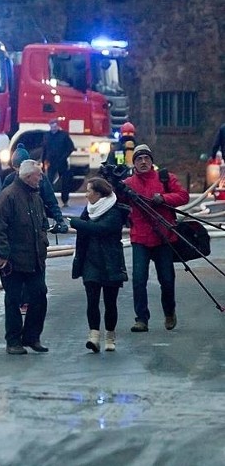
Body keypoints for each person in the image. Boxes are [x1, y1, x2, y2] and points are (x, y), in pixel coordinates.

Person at [121, 144, 189, 332]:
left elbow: (184, 196)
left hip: (163, 237)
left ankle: (169, 311)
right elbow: (114, 201)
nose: (143, 162)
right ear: (134, 163)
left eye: (146, 159)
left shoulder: (165, 179)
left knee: (167, 279)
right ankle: (141, 319)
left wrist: (165, 198)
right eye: (139, 159)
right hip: (140, 238)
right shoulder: (127, 184)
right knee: (139, 280)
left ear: (152, 161)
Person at [0, 159, 50, 354]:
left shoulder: (35, 197)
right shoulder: (8, 197)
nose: (41, 178)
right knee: (13, 300)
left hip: (35, 259)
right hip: (14, 261)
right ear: (28, 176)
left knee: (39, 296)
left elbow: (42, 224)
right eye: (38, 175)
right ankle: (13, 341)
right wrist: (3, 254)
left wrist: (43, 242)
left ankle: (32, 337)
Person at [70, 177, 130, 352]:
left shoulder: (114, 212)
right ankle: (94, 336)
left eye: (89, 191)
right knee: (92, 301)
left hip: (110, 262)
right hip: (90, 261)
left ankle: (110, 336)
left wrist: (74, 222)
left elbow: (100, 229)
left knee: (110, 303)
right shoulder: (88, 210)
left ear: (98, 193)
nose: (86, 194)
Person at [3, 143, 68, 233]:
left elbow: (50, 201)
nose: (19, 171)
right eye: (17, 168)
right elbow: (3, 206)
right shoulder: (9, 180)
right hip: (18, 227)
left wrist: (59, 220)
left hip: (38, 225)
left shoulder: (40, 178)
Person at [41, 118, 75, 207]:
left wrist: (64, 157)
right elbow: (44, 149)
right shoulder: (47, 135)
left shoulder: (63, 135)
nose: (53, 127)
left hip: (62, 162)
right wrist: (43, 161)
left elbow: (70, 147)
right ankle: (50, 201)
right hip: (51, 163)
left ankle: (65, 200)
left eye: (55, 125)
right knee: (49, 182)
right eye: (52, 125)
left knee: (65, 182)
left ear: (58, 126)